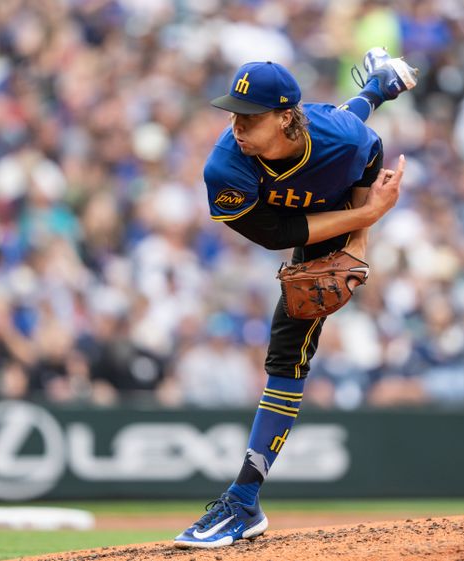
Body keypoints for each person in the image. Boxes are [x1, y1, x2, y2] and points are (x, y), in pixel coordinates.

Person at [174, 48, 418, 548]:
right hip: (299, 211)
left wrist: (357, 247)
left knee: (287, 353)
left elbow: (366, 155)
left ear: (287, 117)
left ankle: (243, 501)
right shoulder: (226, 169)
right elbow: (275, 233)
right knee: (346, 121)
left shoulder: (338, 139)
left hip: (332, 187)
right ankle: (379, 84)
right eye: (234, 115)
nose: (238, 127)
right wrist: (366, 218)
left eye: (251, 117)